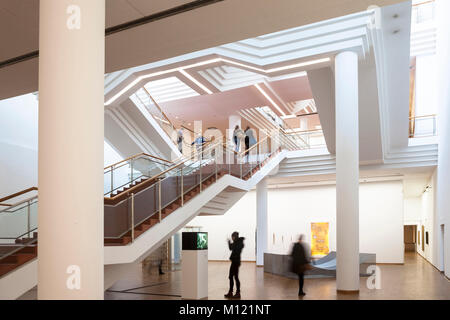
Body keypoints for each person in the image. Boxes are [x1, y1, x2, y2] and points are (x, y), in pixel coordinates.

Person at [225, 232, 245, 299]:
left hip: (236, 262)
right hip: (234, 261)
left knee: (236, 277)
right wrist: (229, 242)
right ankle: (230, 292)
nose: (232, 238)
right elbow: (231, 248)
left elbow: (234, 248)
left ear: (235, 237)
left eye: (232, 237)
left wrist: (231, 243)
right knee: (230, 277)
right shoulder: (236, 242)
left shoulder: (239, 243)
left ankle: (238, 293)